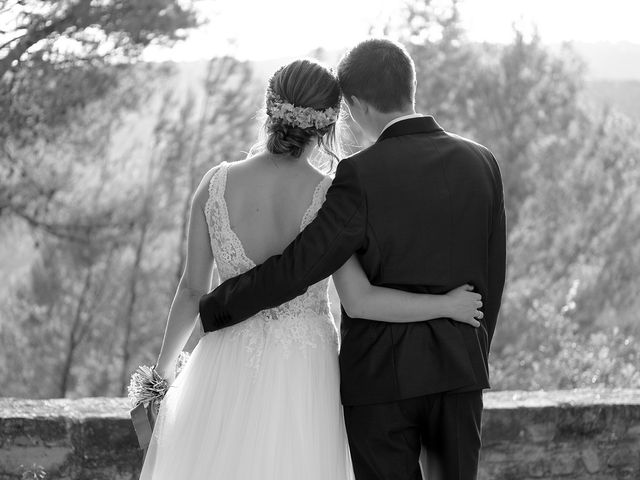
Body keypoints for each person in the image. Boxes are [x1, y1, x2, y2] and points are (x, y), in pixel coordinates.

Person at [138, 57, 484, 480]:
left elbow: (192, 291)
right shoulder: (332, 192)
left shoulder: (215, 184)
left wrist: (161, 375)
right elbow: (360, 299)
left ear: (269, 109)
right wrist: (446, 305)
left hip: (223, 360)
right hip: (306, 367)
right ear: (329, 124)